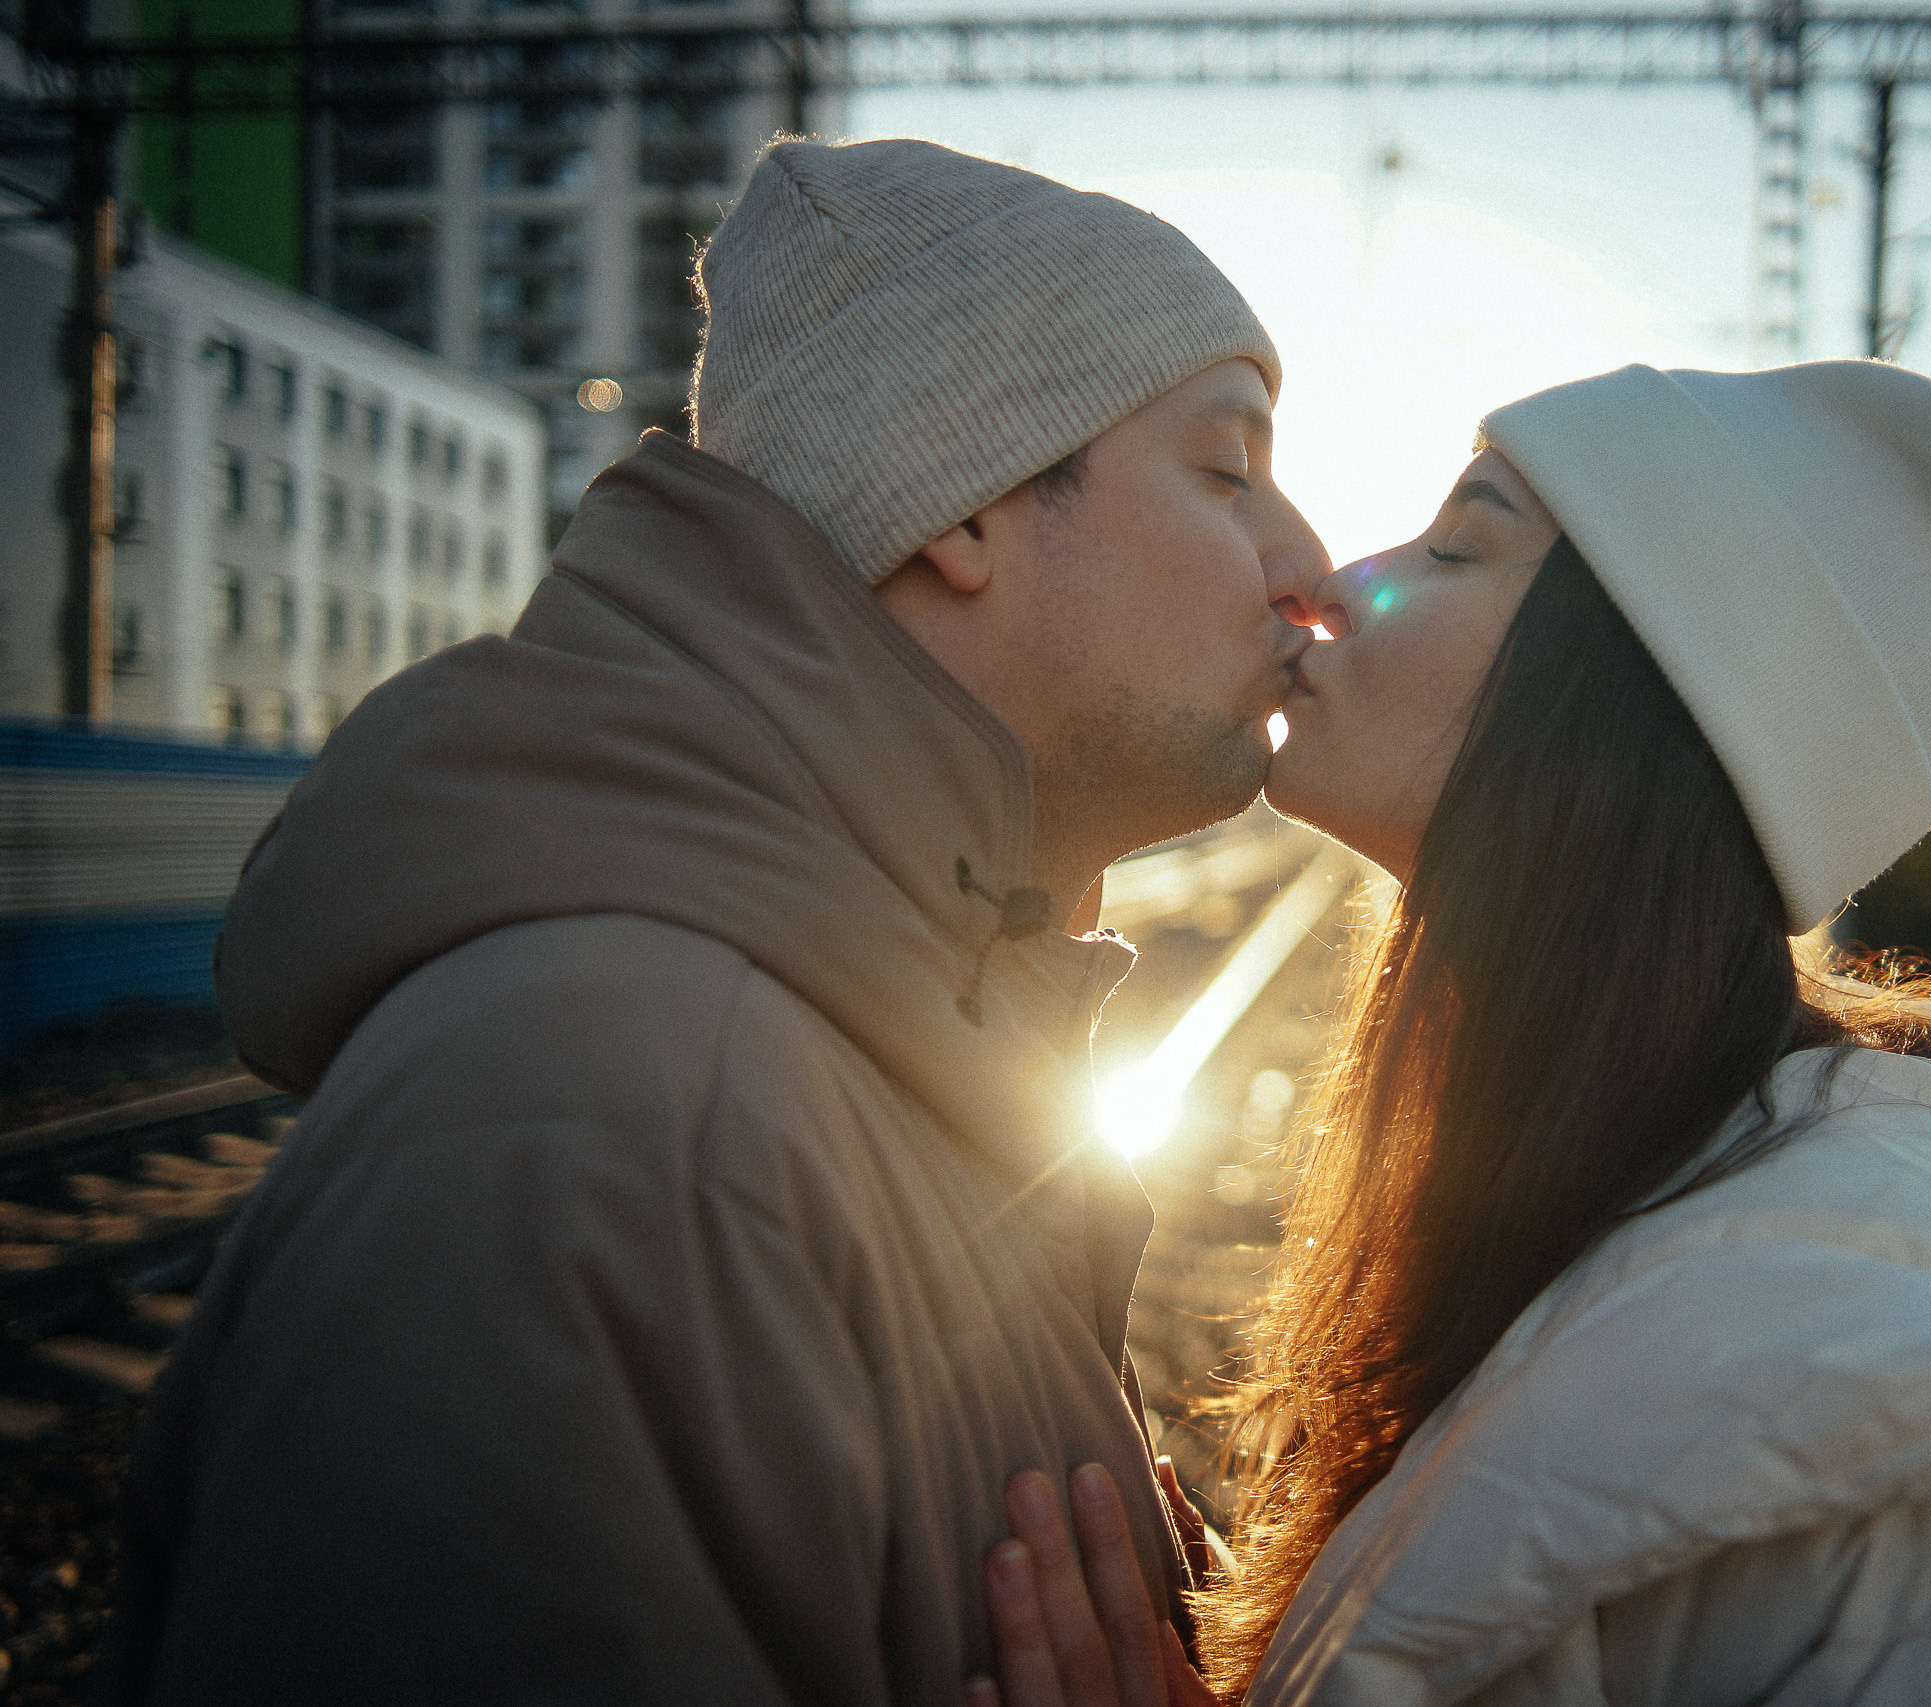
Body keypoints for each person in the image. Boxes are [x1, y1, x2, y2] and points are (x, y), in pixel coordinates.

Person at [971, 357, 1931, 1706]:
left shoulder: (1920, 1509)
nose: (1330, 581)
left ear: (1638, 705)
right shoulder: (1663, 1185)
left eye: (1455, 543)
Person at [103, 139, 1331, 1704]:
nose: (1303, 568)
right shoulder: (609, 1122)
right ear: (965, 504)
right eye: (1230, 473)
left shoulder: (822, 1042)